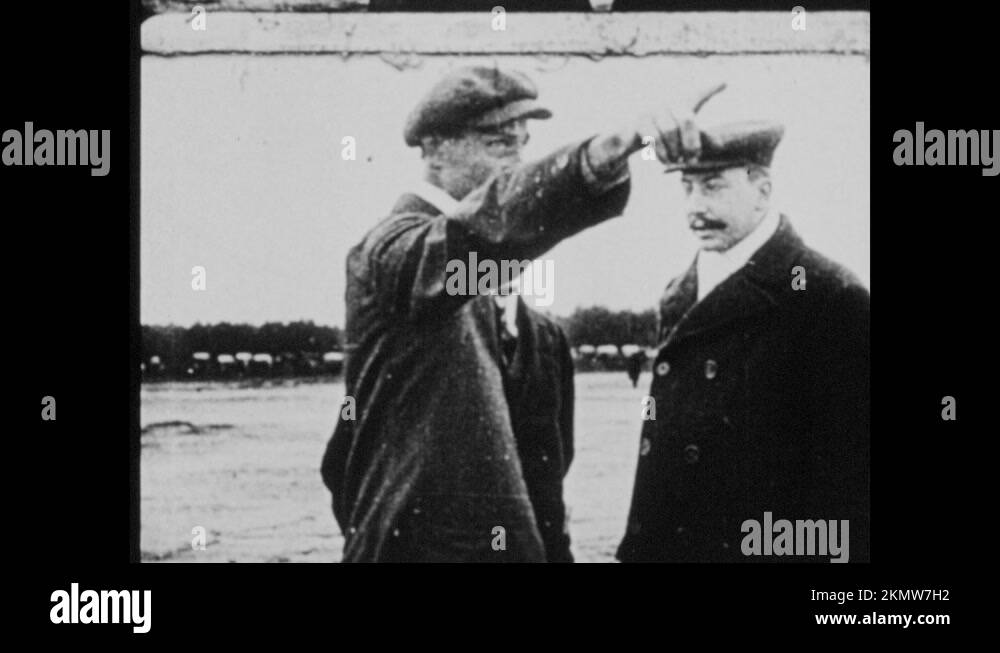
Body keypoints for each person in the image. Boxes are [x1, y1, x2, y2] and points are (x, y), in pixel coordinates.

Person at [320, 64, 720, 561]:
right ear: (435, 148)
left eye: (522, 144)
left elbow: (546, 493)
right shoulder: (392, 252)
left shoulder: (539, 334)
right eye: (498, 143)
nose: (516, 162)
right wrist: (600, 157)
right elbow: (473, 243)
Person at [616, 119, 870, 563]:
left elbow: (852, 482)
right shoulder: (680, 291)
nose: (695, 206)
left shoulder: (830, 296)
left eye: (712, 187)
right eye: (687, 188)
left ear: (762, 190)